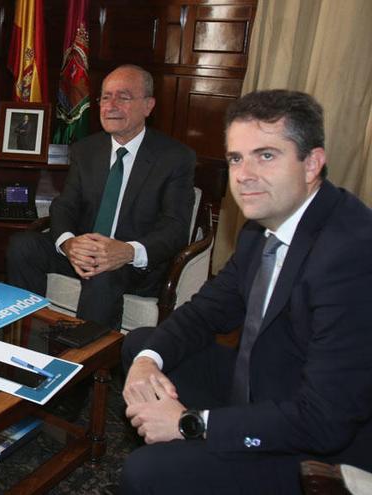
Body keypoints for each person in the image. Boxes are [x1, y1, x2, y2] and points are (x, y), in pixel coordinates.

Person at [119, 90, 372, 494]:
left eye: (266, 155)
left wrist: (190, 424)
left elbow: (325, 420)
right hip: (262, 383)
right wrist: (149, 361)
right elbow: (206, 311)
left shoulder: (353, 253)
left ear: (312, 164)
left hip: (317, 443)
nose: (244, 174)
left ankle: (178, 456)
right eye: (236, 158)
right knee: (142, 344)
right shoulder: (263, 227)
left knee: (144, 472)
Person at [6, 65, 196, 329]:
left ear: (148, 106)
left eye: (124, 97)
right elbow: (65, 206)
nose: (111, 105)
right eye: (105, 97)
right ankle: (24, 335)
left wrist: (127, 251)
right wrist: (69, 244)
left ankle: (85, 361)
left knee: (103, 274)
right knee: (23, 246)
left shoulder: (174, 158)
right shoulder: (87, 150)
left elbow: (175, 228)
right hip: (83, 252)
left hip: (133, 265)